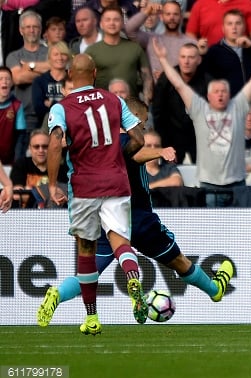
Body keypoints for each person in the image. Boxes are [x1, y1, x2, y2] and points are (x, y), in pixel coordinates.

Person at [37, 97, 233, 328]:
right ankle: (214, 290)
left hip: (103, 219)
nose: (144, 127)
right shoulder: (124, 140)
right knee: (179, 261)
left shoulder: (99, 144)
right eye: (144, 122)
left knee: (89, 274)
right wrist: (159, 151)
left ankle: (57, 295)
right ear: (134, 118)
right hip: (137, 218)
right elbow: (133, 154)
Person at [46, 53, 147, 335]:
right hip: (116, 181)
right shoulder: (114, 99)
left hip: (84, 186)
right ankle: (132, 276)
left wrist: (53, 184)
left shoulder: (62, 107)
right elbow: (139, 138)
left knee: (87, 251)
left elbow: (55, 144)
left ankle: (92, 318)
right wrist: (118, 157)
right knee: (119, 242)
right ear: (93, 74)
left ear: (69, 75)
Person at [153, 37, 251, 207]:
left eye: (223, 91)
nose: (220, 94)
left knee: (239, 231)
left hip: (237, 184)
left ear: (229, 95)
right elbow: (179, 85)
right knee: (212, 231)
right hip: (209, 185)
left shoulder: (238, 106)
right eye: (216, 91)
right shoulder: (199, 108)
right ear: (208, 95)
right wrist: (162, 59)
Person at [153, 42, 211, 164]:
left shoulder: (207, 81)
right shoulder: (166, 79)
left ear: (199, 60)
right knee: (171, 174)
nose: (186, 61)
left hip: (199, 138)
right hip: (171, 136)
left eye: (191, 57)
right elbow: (158, 114)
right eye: (183, 57)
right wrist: (164, 146)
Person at [85, 6, 152, 104]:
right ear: (101, 24)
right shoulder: (91, 51)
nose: (112, 23)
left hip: (131, 108)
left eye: (116, 19)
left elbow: (147, 77)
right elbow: (85, 82)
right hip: (102, 108)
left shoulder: (135, 48)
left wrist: (146, 102)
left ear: (122, 23)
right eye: (108, 20)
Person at [6, 10, 49, 160]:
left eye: (35, 27)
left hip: (49, 116)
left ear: (41, 29)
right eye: (28, 27)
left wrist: (29, 66)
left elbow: (59, 72)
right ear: (21, 30)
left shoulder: (52, 52)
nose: (32, 30)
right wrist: (46, 70)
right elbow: (18, 78)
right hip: (24, 118)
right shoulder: (14, 56)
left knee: (50, 164)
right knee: (21, 163)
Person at [202, 9, 251, 106]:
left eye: (238, 23)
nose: (234, 27)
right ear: (223, 28)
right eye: (230, 24)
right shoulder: (214, 52)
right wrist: (201, 55)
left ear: (244, 27)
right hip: (228, 108)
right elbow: (203, 80)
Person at [125, 1, 198, 83]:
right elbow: (129, 30)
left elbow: (197, 73)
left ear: (181, 17)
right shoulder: (151, 39)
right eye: (168, 14)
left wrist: (166, 75)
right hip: (157, 93)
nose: (172, 18)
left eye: (175, 14)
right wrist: (147, 12)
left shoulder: (191, 43)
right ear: (161, 17)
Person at [10, 129, 68, 208]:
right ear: (30, 148)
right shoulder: (21, 164)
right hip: (25, 214)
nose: (41, 150)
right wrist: (48, 192)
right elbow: (17, 195)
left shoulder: (60, 168)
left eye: (45, 147)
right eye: (36, 147)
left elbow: (62, 197)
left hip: (53, 216)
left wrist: (30, 191)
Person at [186, 0, 251, 46]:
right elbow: (190, 34)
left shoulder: (247, 4)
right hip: (208, 59)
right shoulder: (200, 4)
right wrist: (199, 49)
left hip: (239, 58)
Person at [31, 42, 70, 129]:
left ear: (68, 58)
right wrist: (64, 103)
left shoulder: (73, 80)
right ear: (49, 58)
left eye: (63, 54)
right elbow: (39, 110)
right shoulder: (39, 81)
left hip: (70, 126)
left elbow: (76, 107)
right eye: (56, 54)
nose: (60, 58)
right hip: (45, 127)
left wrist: (51, 103)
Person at [0, 66, 26, 165]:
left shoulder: (17, 106)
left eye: (7, 79)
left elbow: (20, 136)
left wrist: (17, 160)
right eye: (0, 79)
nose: (4, 81)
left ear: (12, 83)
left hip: (9, 160)